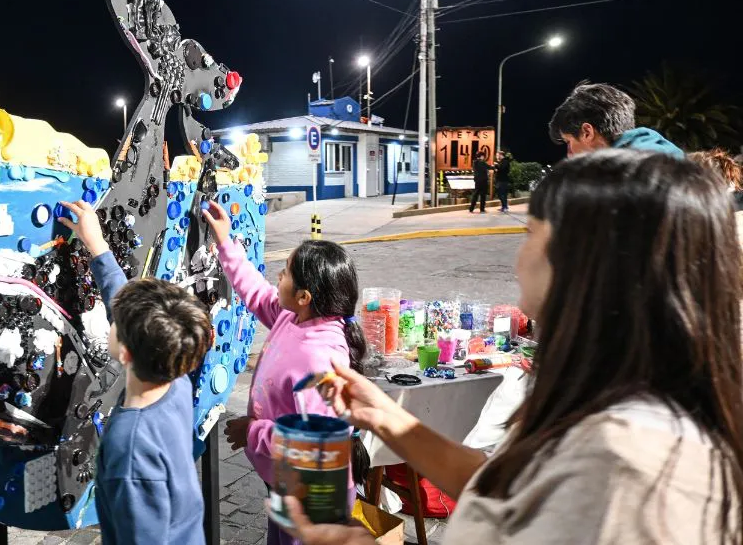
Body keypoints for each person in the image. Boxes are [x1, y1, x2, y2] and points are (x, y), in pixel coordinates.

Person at [273, 150, 743, 544]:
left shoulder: (624, 468)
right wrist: (386, 418)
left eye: (529, 234)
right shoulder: (612, 396)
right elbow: (500, 490)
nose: (518, 257)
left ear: (583, 263)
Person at [201, 201, 368, 545]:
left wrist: (252, 431)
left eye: (286, 272)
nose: (278, 276)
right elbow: (257, 293)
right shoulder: (293, 317)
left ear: (305, 295)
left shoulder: (319, 358)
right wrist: (225, 242)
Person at [58, 200, 210, 545]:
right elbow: (126, 308)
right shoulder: (177, 382)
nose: (113, 318)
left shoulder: (129, 446)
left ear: (124, 351)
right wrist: (97, 246)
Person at [548, 81, 683, 158]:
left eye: (568, 142)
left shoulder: (623, 176)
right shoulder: (666, 151)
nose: (569, 154)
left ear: (587, 132)